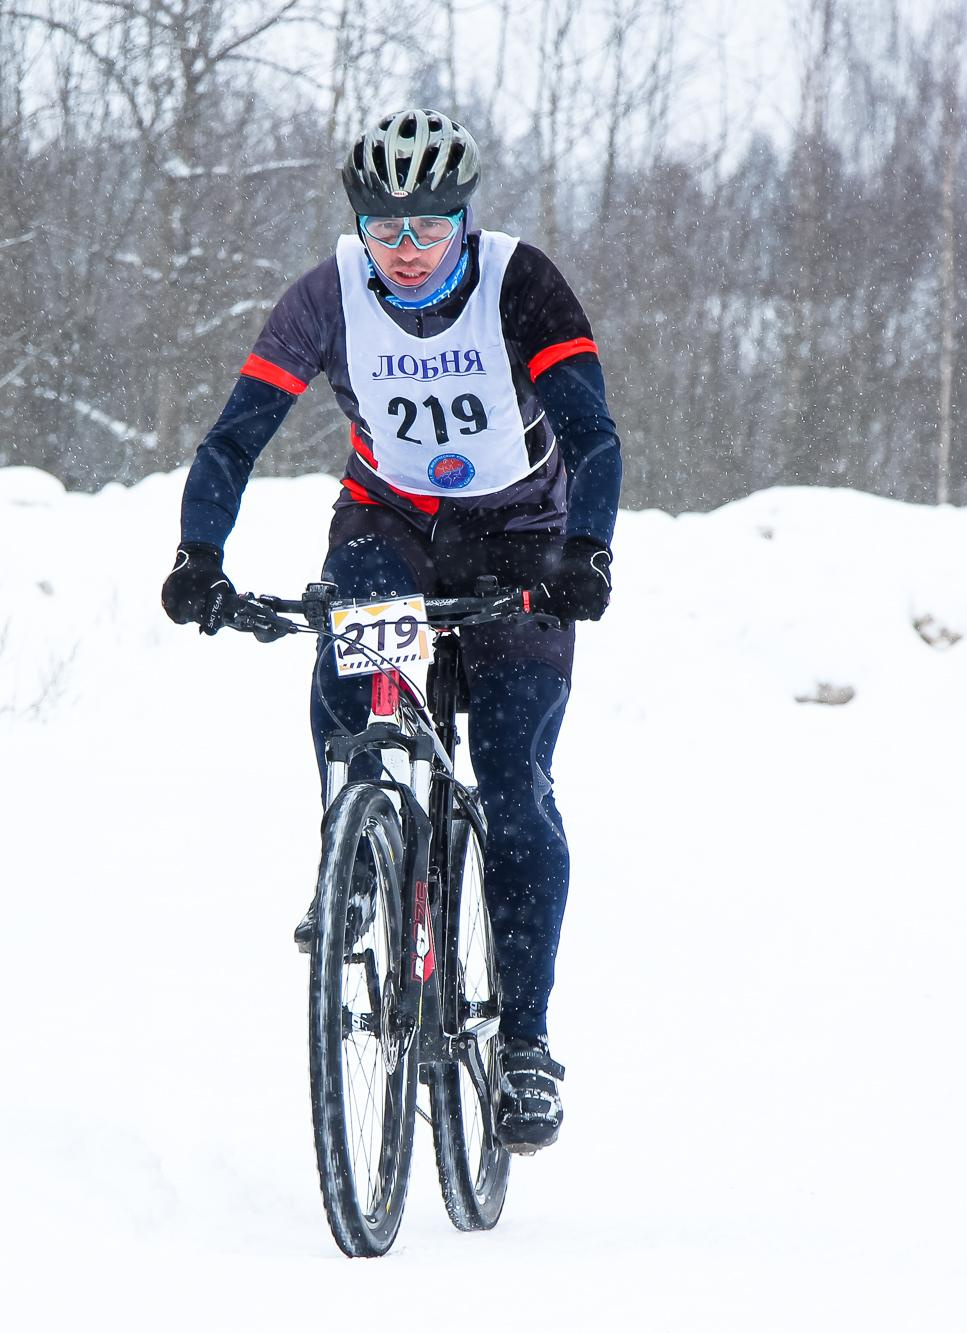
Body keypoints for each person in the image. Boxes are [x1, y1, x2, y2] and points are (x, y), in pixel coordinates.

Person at [160, 108, 622, 1153]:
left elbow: (592, 435)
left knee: (512, 786)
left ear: (463, 221)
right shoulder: (324, 296)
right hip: (390, 524)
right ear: (357, 225)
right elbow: (234, 435)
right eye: (384, 228)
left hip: (521, 535)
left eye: (426, 228)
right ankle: (356, 846)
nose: (404, 250)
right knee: (347, 651)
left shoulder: (521, 283)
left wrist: (585, 553)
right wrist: (198, 556)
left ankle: (526, 1049)